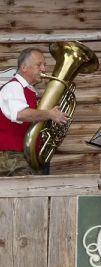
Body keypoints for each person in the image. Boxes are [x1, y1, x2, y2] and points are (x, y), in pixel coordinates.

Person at [0, 48, 69, 176]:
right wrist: (49, 114)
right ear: (24, 67)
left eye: (44, 65)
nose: (43, 69)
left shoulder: (28, 90)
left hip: (21, 157)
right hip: (12, 158)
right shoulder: (14, 86)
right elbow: (21, 114)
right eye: (39, 65)